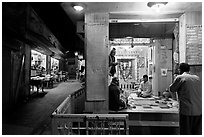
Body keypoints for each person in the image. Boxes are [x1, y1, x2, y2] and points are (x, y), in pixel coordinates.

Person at [169, 63, 202, 135]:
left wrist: (175, 78)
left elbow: (172, 89)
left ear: (179, 70)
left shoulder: (180, 77)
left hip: (187, 110)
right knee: (196, 132)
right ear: (189, 69)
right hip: (199, 110)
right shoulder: (197, 78)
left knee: (186, 132)